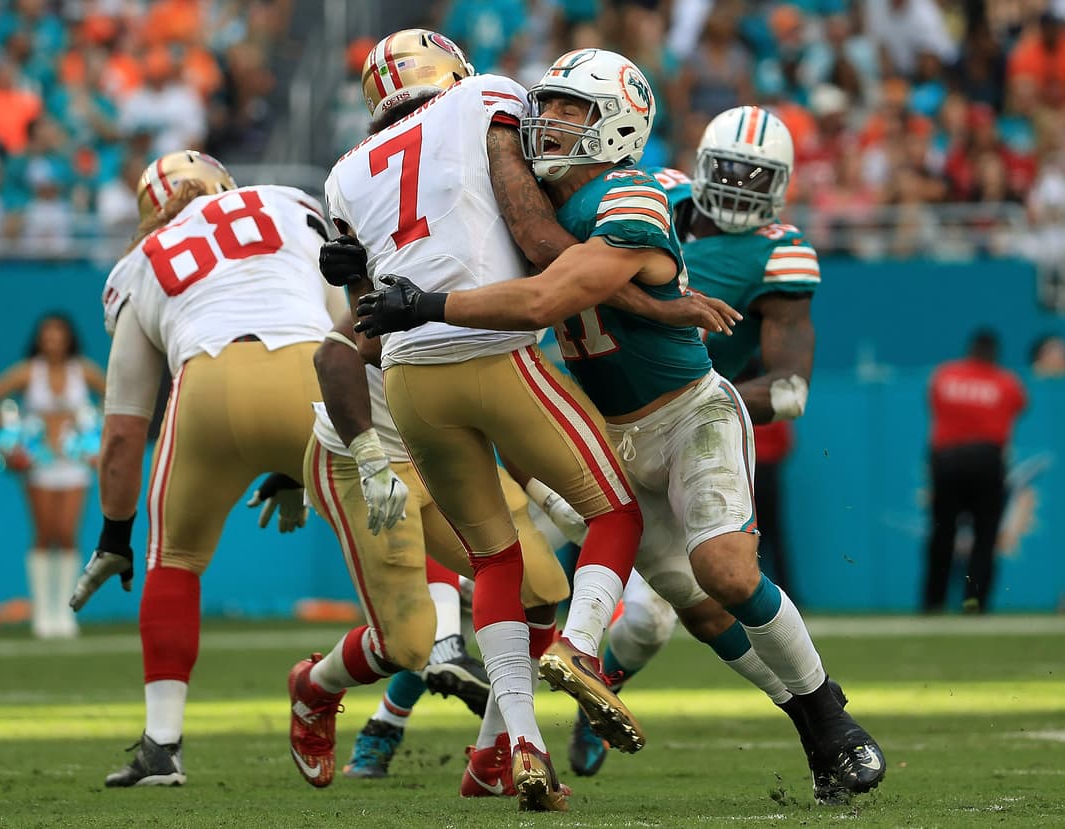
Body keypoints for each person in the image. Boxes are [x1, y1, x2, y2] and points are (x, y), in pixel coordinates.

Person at [354, 55, 886, 804]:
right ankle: (804, 730)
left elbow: (546, 296)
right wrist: (369, 254)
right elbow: (451, 217)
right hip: (609, 430)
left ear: (621, 124)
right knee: (700, 613)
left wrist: (427, 306)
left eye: (572, 110)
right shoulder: (545, 201)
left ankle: (831, 721)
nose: (550, 121)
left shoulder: (634, 194)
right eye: (549, 107)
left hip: (688, 410)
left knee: (727, 574)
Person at [310, 30, 728, 812]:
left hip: (406, 377)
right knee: (615, 512)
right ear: (453, 71)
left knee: (495, 561)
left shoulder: (342, 174)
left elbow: (362, 299)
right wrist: (652, 298)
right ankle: (578, 648)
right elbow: (536, 237)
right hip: (493, 351)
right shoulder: (484, 98)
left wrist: (355, 265)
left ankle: (513, 749)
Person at [570, 108, 845, 793]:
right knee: (542, 577)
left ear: (781, 185)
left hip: (692, 429)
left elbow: (788, 390)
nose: (743, 186)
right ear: (702, 164)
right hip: (593, 422)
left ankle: (602, 684)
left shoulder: (779, 252)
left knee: (679, 609)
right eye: (731, 170)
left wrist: (691, 393)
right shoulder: (650, 196)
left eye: (759, 176)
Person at [68, 149, 345, 787]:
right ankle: (449, 634)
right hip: (310, 375)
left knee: (174, 560)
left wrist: (114, 536)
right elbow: (347, 330)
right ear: (225, 183)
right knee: (402, 525)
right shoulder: (286, 205)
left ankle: (162, 745)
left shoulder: (140, 261)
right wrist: (308, 454)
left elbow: (123, 429)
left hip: (205, 389)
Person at [285, 311, 572, 793]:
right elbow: (334, 354)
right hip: (363, 462)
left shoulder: (511, 289)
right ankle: (314, 686)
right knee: (408, 646)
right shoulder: (416, 263)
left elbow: (506, 409)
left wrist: (549, 497)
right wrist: (370, 457)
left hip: (443, 454)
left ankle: (491, 759)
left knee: (540, 589)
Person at [0, 313, 106, 639]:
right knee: (45, 534)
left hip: (74, 461)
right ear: (39, 339)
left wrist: (88, 425)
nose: (53, 341)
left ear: (68, 338)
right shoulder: (29, 371)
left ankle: (66, 610)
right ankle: (43, 612)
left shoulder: (83, 370)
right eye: (47, 335)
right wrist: (18, 432)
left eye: (59, 335)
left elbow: (115, 396)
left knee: (68, 533)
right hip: (40, 463)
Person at [923, 329, 1028, 614]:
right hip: (987, 461)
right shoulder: (1006, 383)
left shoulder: (945, 376)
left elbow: (933, 406)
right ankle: (974, 604)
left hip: (946, 460)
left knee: (942, 534)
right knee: (984, 537)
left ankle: (933, 603)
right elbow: (1018, 408)